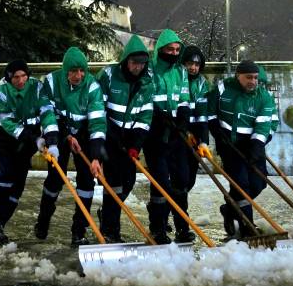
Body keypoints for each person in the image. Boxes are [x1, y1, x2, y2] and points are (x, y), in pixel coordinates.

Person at [34, 47, 107, 245]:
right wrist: (56, 141)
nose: (78, 75)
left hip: (84, 134)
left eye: (82, 70)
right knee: (56, 178)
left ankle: (79, 230)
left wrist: (95, 156)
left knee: (86, 181)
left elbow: (97, 122)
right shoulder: (51, 82)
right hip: (57, 132)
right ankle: (43, 219)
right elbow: (47, 113)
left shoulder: (92, 86)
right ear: (65, 70)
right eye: (74, 71)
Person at [0, 60, 59, 244]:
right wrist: (34, 139)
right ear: (9, 78)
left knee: (18, 183)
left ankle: (2, 222)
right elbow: (9, 123)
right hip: (6, 140)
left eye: (23, 76)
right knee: (7, 175)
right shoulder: (1, 92)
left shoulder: (36, 87)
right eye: (16, 77)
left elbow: (46, 111)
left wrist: (51, 139)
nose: (20, 80)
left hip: (27, 142)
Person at [95, 35, 154, 243]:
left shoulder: (147, 83)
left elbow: (146, 115)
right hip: (109, 137)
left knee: (128, 182)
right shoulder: (109, 75)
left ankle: (107, 215)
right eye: (134, 62)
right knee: (114, 184)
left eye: (141, 63)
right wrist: (111, 133)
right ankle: (111, 230)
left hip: (129, 140)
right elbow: (98, 106)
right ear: (126, 60)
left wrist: (135, 143)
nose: (137, 67)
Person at [206, 60, 273, 238]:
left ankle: (229, 208)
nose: (253, 81)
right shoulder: (223, 88)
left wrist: (257, 147)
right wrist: (216, 132)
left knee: (259, 183)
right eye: (248, 77)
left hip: (252, 144)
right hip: (229, 144)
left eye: (255, 78)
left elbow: (263, 127)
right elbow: (210, 109)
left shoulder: (264, 97)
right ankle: (247, 226)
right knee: (241, 184)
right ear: (238, 76)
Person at [144, 29, 193, 244]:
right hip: (155, 133)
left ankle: (183, 226)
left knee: (181, 180)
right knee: (161, 182)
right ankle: (158, 227)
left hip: (175, 133)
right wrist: (158, 115)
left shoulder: (181, 72)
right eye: (169, 49)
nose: (173, 53)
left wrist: (183, 117)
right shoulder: (150, 70)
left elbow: (184, 97)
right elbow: (146, 96)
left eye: (176, 50)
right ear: (161, 50)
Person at [181, 45, 209, 202]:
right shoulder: (178, 79)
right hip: (177, 134)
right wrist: (185, 132)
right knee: (181, 178)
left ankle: (172, 208)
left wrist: (203, 141)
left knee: (190, 180)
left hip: (194, 137)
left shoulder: (202, 83)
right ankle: (173, 217)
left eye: (197, 65)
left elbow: (202, 116)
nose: (193, 67)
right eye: (190, 63)